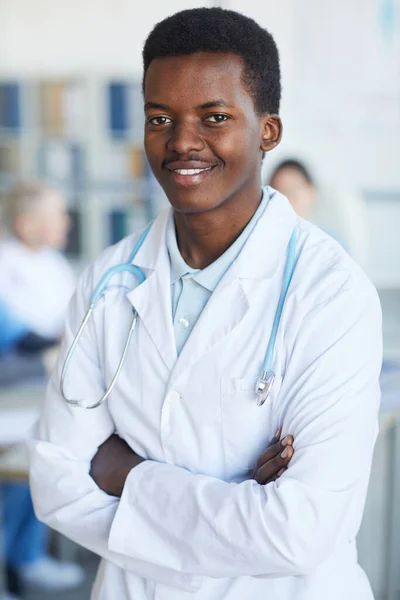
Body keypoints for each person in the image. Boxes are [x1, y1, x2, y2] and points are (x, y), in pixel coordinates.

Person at [29, 8, 381, 600]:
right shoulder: (108, 283)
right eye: (159, 117)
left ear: (268, 131)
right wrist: (238, 507)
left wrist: (127, 475)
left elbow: (299, 534)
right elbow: (56, 485)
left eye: (214, 117)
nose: (182, 141)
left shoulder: (331, 294)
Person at [0, 180, 84, 596]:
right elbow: (19, 338)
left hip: (43, 394)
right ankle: (15, 563)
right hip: (10, 398)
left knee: (39, 470)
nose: (64, 223)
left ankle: (27, 558)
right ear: (24, 222)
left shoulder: (54, 264)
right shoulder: (4, 263)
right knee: (15, 477)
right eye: (54, 215)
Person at [269, 159, 370, 265]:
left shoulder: (330, 245)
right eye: (280, 191)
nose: (287, 198)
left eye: (294, 190)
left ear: (312, 192)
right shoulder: (263, 241)